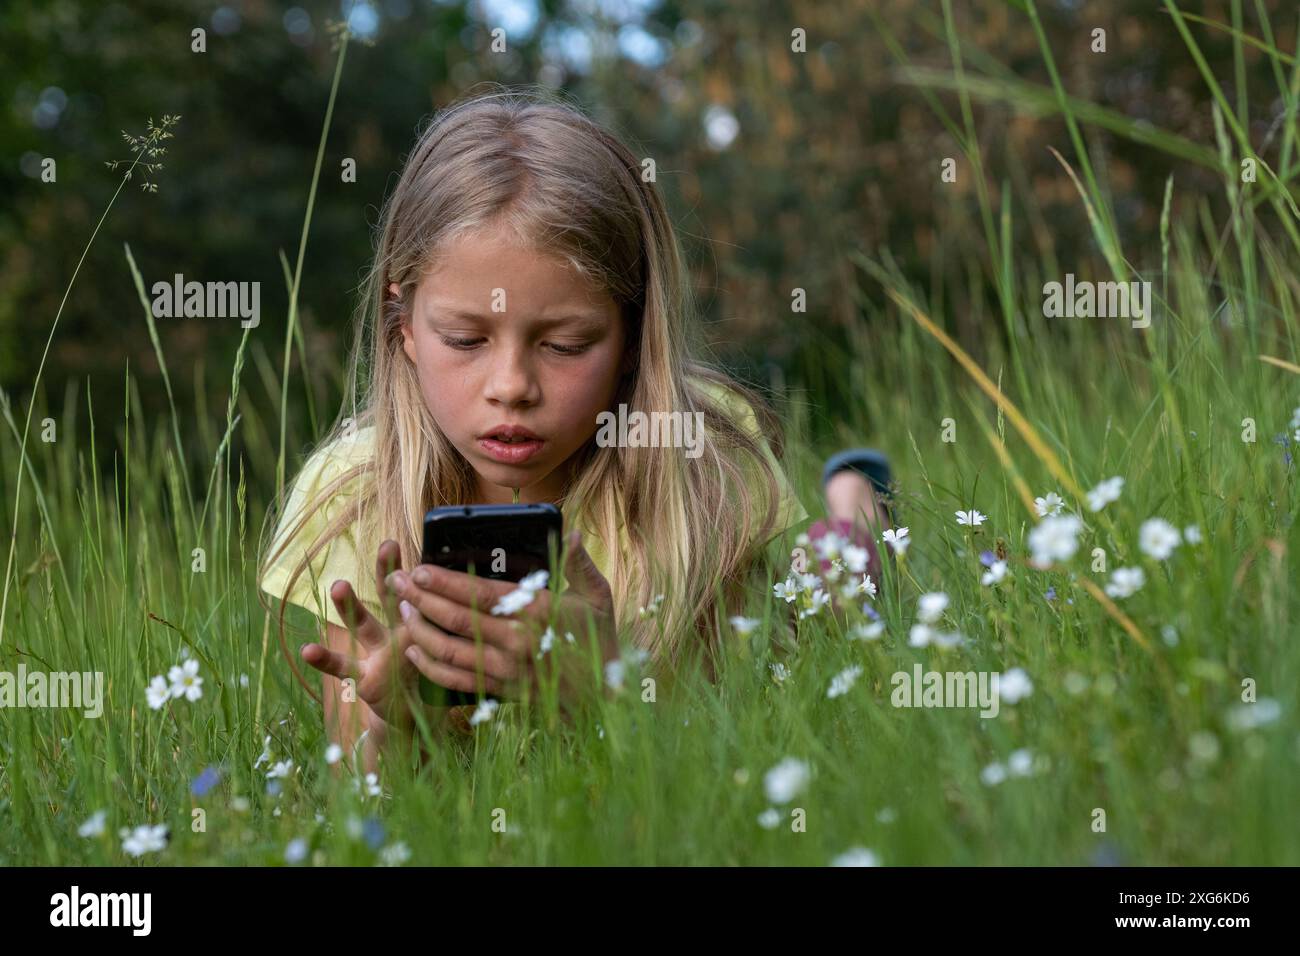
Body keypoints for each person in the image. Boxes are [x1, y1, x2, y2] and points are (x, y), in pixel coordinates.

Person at [257, 87, 891, 774]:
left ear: (631, 333)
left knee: (841, 589)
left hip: (786, 610)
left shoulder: (699, 460)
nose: (511, 387)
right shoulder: (352, 492)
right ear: (403, 323)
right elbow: (362, 799)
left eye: (564, 345)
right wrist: (401, 727)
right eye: (466, 338)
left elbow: (737, 750)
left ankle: (857, 502)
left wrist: (607, 691)